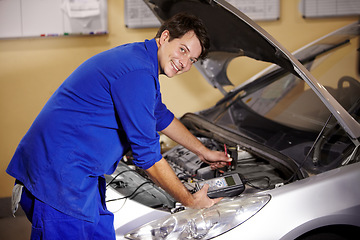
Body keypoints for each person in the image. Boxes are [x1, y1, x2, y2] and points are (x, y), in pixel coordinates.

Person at [6, 13, 231, 239]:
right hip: (59, 178)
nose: (184, 63)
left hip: (79, 174)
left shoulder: (141, 59)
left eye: (192, 59)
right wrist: (190, 200)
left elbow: (160, 115)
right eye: (183, 49)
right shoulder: (138, 72)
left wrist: (203, 152)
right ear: (165, 37)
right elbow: (148, 158)